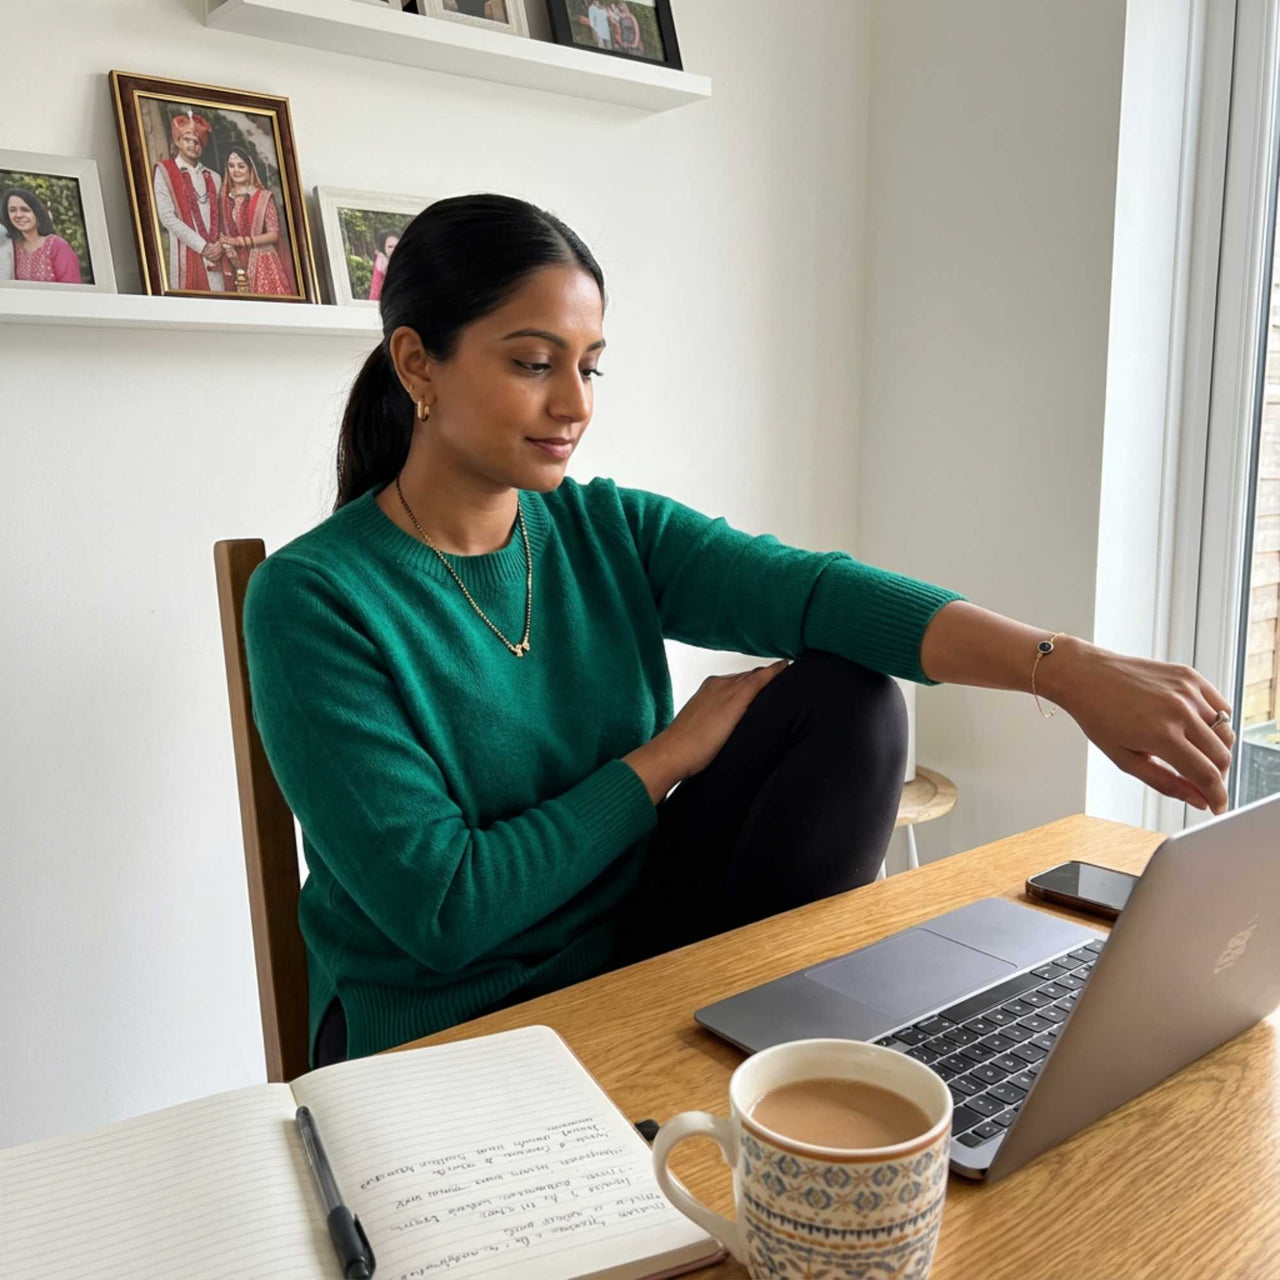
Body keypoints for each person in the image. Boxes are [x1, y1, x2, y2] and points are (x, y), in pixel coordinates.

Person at [242, 193, 1236, 1071]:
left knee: (847, 696)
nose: (574, 404)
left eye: (590, 366)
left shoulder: (603, 528)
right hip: (445, 1026)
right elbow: (445, 912)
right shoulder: (314, 599)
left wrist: (1061, 669)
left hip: (625, 953)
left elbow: (822, 593)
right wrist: (664, 759)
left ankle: (779, 1031)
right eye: (534, 363)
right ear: (417, 362)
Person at [152, 110, 224, 292]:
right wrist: (202, 246)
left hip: (217, 256)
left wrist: (220, 245)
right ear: (177, 141)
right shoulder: (165, 171)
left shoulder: (214, 177)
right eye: (187, 140)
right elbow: (167, 217)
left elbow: (223, 216)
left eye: (197, 141)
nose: (192, 145)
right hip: (186, 251)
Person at [216, 146, 296, 297]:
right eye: (231, 166)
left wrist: (242, 242)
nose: (236, 170)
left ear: (250, 169)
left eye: (241, 166)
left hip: (262, 261)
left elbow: (274, 234)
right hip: (235, 260)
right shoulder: (225, 199)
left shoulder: (264, 197)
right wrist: (227, 245)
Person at [1, 187, 83, 283]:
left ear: (36, 212)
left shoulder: (57, 246)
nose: (18, 215)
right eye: (12, 210)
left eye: (25, 210)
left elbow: (72, 287)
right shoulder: (11, 247)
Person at [368, 229, 399, 302]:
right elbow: (374, 295)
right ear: (383, 248)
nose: (394, 250)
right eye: (390, 247)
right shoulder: (381, 265)